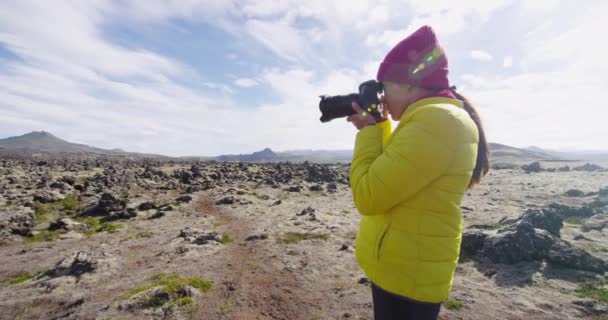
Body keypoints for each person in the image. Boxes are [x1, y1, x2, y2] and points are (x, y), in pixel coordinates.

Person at [346, 25, 490, 320]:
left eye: (386, 87)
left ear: (410, 84)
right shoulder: (431, 118)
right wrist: (381, 126)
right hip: (404, 266)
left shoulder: (436, 122)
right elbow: (395, 172)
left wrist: (368, 132)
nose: (382, 97)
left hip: (408, 275)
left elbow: (368, 195)